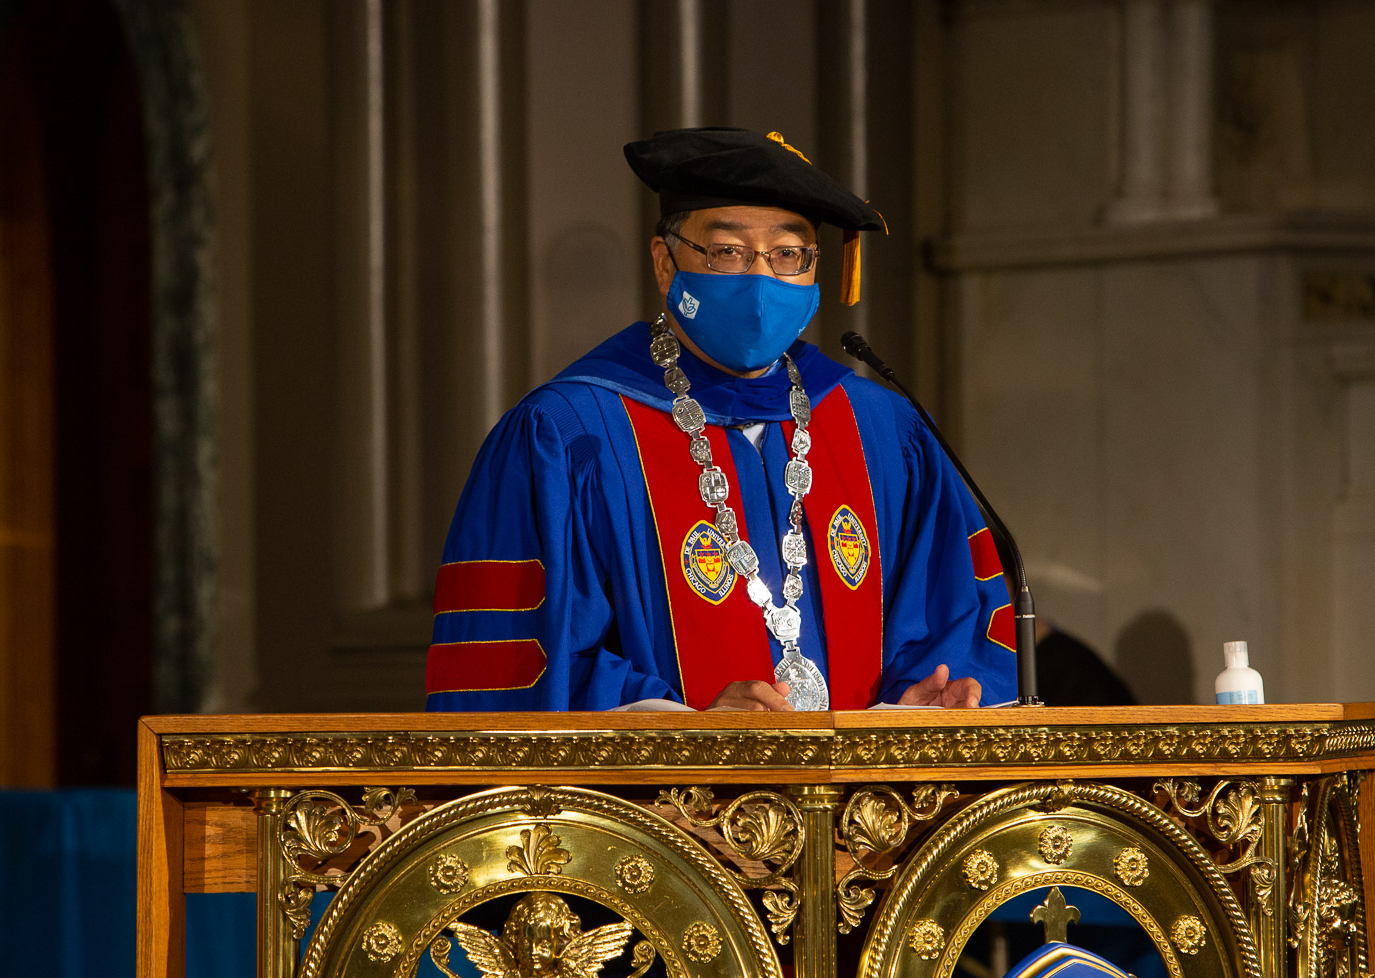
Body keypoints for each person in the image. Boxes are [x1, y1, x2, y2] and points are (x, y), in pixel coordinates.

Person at [426, 127, 1016, 712]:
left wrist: (916, 701)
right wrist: (690, 733)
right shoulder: (568, 435)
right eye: (728, 252)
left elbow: (959, 615)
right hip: (662, 778)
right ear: (665, 264)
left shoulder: (883, 429)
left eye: (789, 254)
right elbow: (523, 660)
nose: (761, 279)